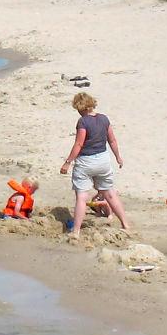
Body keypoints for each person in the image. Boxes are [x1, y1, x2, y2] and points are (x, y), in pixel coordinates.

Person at [59, 91, 131, 239]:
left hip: (86, 161)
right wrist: (118, 157)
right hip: (103, 160)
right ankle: (125, 225)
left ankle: (76, 232)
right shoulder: (104, 119)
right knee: (110, 193)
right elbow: (112, 140)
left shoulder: (83, 122)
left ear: (82, 108)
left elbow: (79, 144)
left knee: (82, 196)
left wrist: (67, 162)